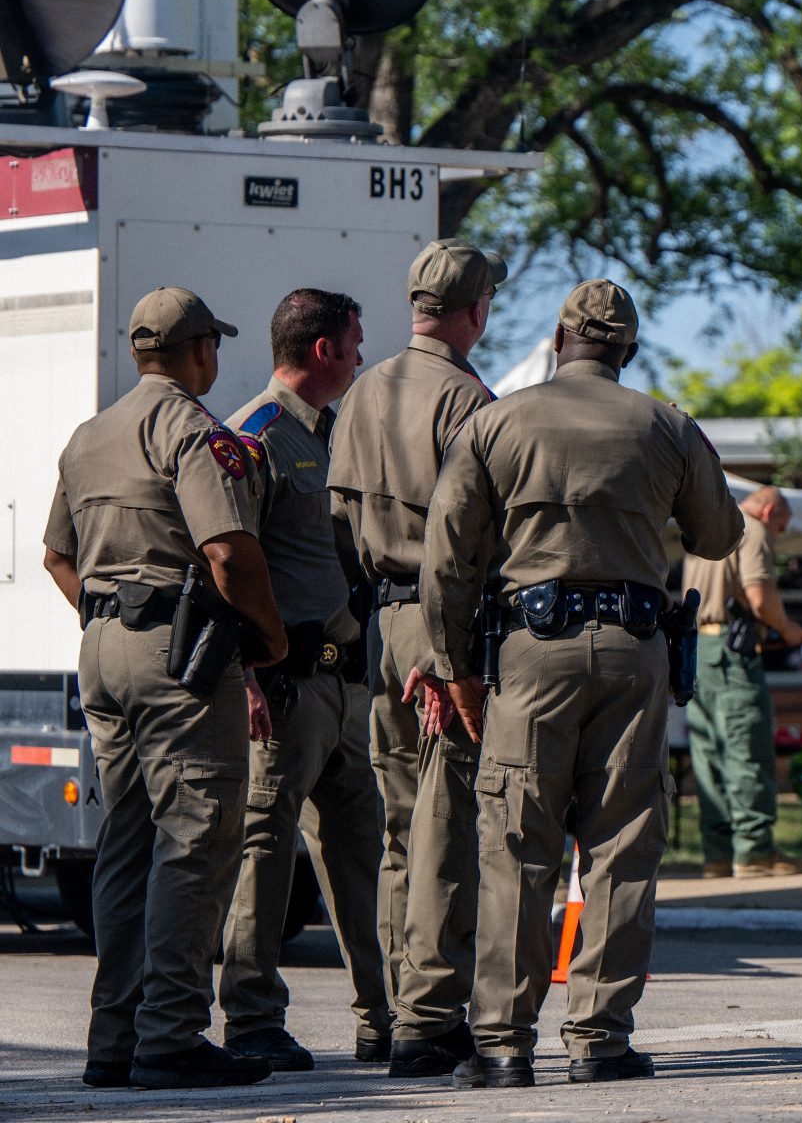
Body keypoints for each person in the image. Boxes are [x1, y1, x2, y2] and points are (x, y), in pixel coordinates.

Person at [408, 278, 742, 1088]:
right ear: (627, 350)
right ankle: (599, 1040)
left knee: (517, 843)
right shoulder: (667, 425)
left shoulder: (497, 422)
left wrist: (455, 670)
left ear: (560, 340)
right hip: (634, 652)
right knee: (624, 846)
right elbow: (720, 532)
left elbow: (447, 559)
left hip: (530, 652)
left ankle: (502, 1046)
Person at [42, 287, 288, 1090]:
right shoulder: (188, 427)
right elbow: (228, 551)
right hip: (175, 655)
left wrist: (110, 613)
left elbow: (56, 556)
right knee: (199, 834)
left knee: (129, 839)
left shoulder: (89, 435)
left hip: (102, 646)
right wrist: (271, 637)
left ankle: (114, 1037)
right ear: (198, 352)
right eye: (213, 343)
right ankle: (171, 1034)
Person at [328, 238, 504, 1077]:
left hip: (381, 622)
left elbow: (334, 524)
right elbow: (468, 539)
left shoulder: (364, 390)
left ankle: (400, 1007)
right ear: (475, 310)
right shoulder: (466, 399)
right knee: (447, 826)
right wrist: (450, 653)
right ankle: (431, 1018)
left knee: (402, 828)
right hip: (443, 629)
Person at [218, 289, 392, 1070]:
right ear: (323, 350)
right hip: (283, 688)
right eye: (354, 343)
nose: (361, 356)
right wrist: (243, 675)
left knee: (363, 855)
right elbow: (221, 559)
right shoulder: (254, 436)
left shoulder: (332, 435)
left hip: (345, 684)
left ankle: (384, 1015)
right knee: (264, 853)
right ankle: (252, 1017)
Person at [681, 486, 802, 878]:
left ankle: (718, 854)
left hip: (699, 649)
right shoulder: (751, 529)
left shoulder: (708, 528)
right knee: (746, 748)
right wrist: (789, 630)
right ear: (770, 510)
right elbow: (759, 597)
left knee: (709, 755)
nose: (779, 536)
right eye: (782, 527)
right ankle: (754, 851)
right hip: (734, 654)